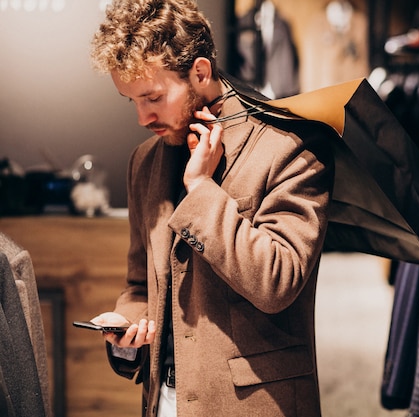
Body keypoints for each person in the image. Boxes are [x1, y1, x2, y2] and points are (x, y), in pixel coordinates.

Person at [88, 0, 334, 416]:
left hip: (253, 405)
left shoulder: (289, 149)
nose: (142, 117)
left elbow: (278, 281)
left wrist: (201, 188)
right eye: (130, 101)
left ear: (200, 73)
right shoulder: (145, 162)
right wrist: (128, 324)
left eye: (153, 97)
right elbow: (138, 284)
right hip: (163, 400)